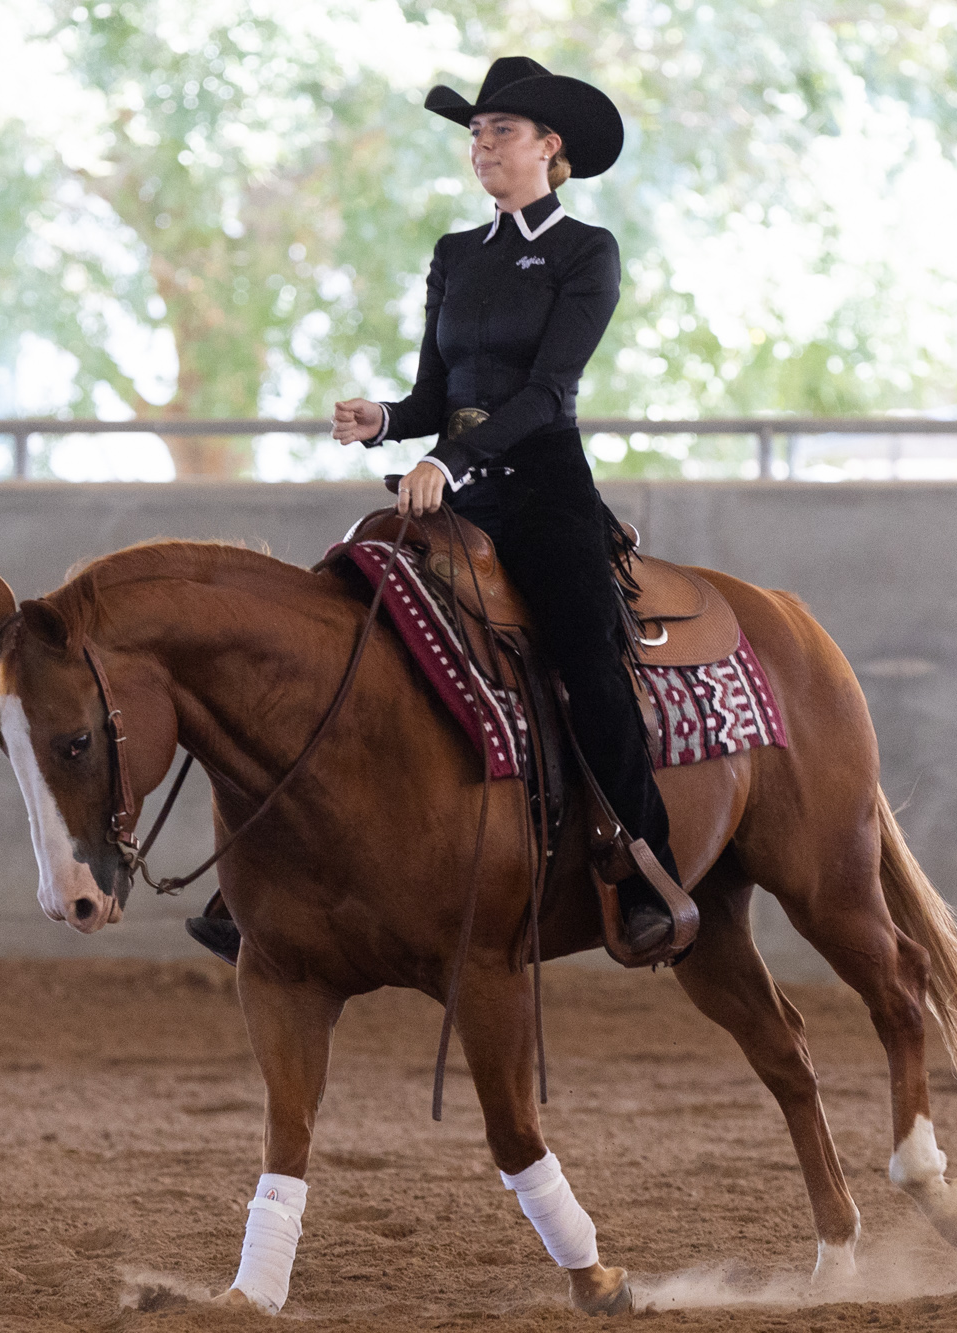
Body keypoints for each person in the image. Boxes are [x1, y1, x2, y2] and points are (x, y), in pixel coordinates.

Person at [328, 56, 681, 956]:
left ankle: (648, 868)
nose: (481, 146)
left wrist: (447, 457)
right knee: (347, 629)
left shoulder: (584, 251)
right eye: (476, 133)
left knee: (585, 651)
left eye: (501, 132)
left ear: (548, 148)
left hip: (543, 488)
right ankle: (314, 866)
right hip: (452, 484)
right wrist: (384, 423)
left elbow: (545, 395)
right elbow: (434, 393)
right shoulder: (454, 255)